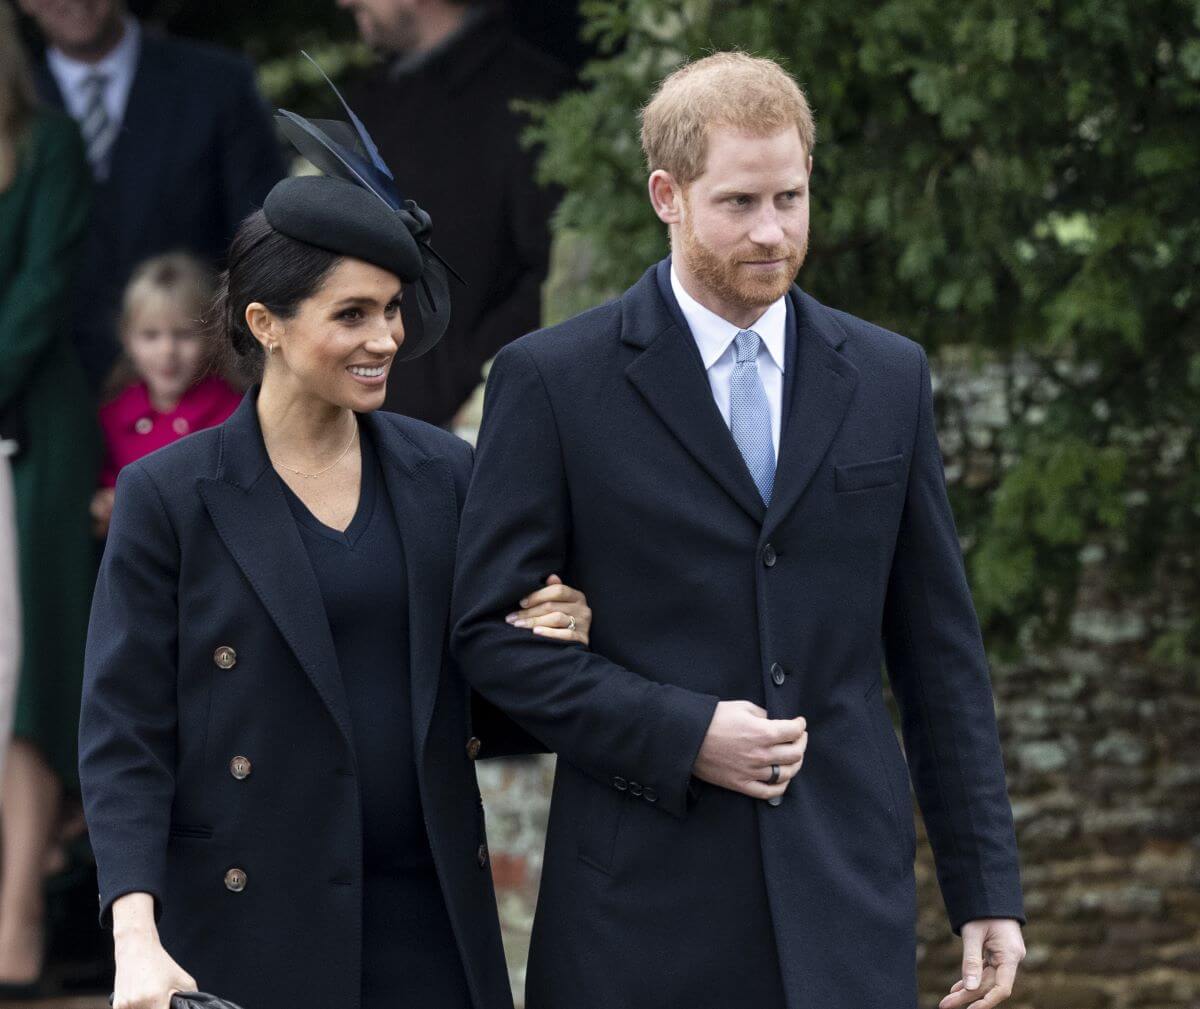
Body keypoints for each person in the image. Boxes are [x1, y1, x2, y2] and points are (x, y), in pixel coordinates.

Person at [452, 52, 1028, 1009]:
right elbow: (488, 640)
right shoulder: (552, 381)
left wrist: (985, 889)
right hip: (639, 907)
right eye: (740, 203)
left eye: (792, 198)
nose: (773, 232)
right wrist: (684, 733)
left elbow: (938, 654)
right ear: (666, 195)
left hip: (845, 896)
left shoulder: (887, 377)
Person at [79, 90, 592, 1009]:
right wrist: (135, 935)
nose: (386, 338)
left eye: (392, 310)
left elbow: (491, 700)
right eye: (352, 313)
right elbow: (124, 735)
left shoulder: (447, 474)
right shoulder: (169, 496)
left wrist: (557, 638)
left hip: (432, 920)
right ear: (267, 324)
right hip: (245, 931)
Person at [20, 0, 285, 389]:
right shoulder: (14, 103)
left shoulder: (219, 84)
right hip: (45, 395)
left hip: (201, 393)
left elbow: (263, 238)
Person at [338, 0, 571, 426]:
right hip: (375, 423)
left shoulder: (528, 101)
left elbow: (558, 269)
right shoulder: (374, 102)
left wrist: (473, 383)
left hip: (474, 429)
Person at [0, 6, 99, 996]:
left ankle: (19, 911)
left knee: (22, 674)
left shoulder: (48, 144)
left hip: (30, 434)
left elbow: (38, 293)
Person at [91, 253, 242, 538]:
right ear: (127, 338)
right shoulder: (112, 415)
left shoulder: (235, 415)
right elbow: (109, 488)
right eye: (150, 335)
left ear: (212, 336)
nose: (167, 351)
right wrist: (105, 503)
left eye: (184, 335)